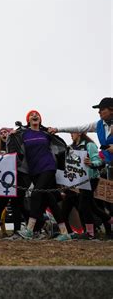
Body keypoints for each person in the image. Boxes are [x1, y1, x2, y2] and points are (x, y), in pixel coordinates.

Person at [49, 97, 113, 239]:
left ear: (111, 110)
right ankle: (94, 230)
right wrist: (58, 129)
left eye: (102, 110)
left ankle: (93, 232)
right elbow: (79, 127)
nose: (99, 113)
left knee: (92, 205)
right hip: (105, 169)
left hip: (95, 175)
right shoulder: (99, 125)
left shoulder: (89, 145)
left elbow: (97, 160)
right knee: (92, 206)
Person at [13, 110, 71, 241]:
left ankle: (29, 230)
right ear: (28, 120)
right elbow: (14, 146)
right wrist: (13, 135)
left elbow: (60, 147)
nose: (35, 116)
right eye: (32, 115)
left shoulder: (46, 134)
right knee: (50, 200)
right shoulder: (23, 134)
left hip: (48, 167)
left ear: (40, 119)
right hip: (33, 170)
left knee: (35, 194)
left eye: (37, 114)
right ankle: (64, 232)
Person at [62, 132, 112, 239]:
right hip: (81, 180)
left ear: (79, 133)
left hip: (91, 179)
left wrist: (91, 163)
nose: (71, 135)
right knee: (92, 206)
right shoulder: (72, 148)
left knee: (84, 206)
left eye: (73, 132)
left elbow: (99, 161)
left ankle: (90, 233)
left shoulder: (89, 145)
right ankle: (109, 220)